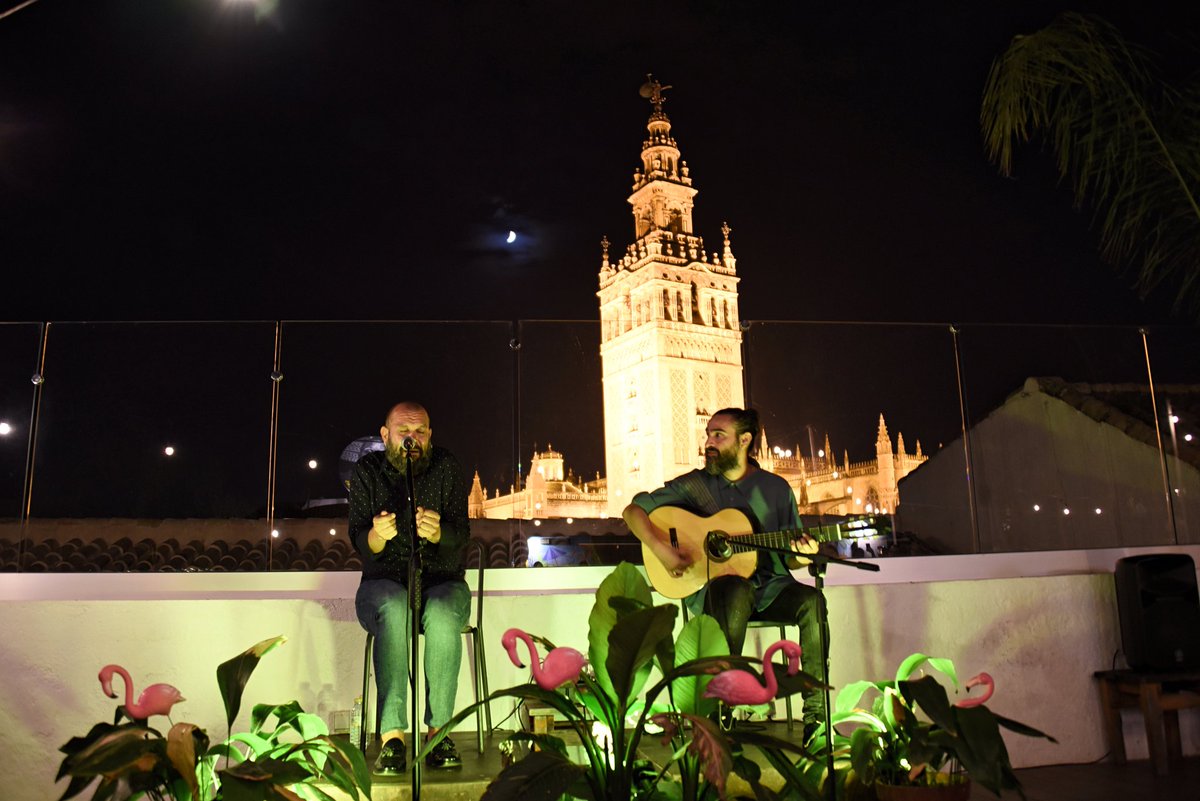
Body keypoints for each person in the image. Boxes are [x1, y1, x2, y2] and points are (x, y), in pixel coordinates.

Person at [622, 407, 827, 733]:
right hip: (717, 591)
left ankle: (817, 718)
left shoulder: (775, 489)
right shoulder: (695, 486)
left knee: (813, 602)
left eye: (719, 435)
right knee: (735, 589)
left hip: (771, 587)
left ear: (745, 440)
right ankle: (720, 709)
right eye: (708, 434)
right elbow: (633, 511)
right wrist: (662, 551)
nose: (709, 442)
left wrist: (803, 556)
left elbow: (788, 558)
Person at [348, 402, 470, 774]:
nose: (412, 440)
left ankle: (438, 734)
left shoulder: (446, 467)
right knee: (395, 605)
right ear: (386, 435)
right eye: (404, 432)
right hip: (382, 587)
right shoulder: (368, 471)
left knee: (445, 611)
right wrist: (376, 536)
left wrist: (439, 533)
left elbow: (462, 535)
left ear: (429, 435)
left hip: (441, 582)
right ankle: (393, 738)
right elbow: (358, 539)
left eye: (420, 432)